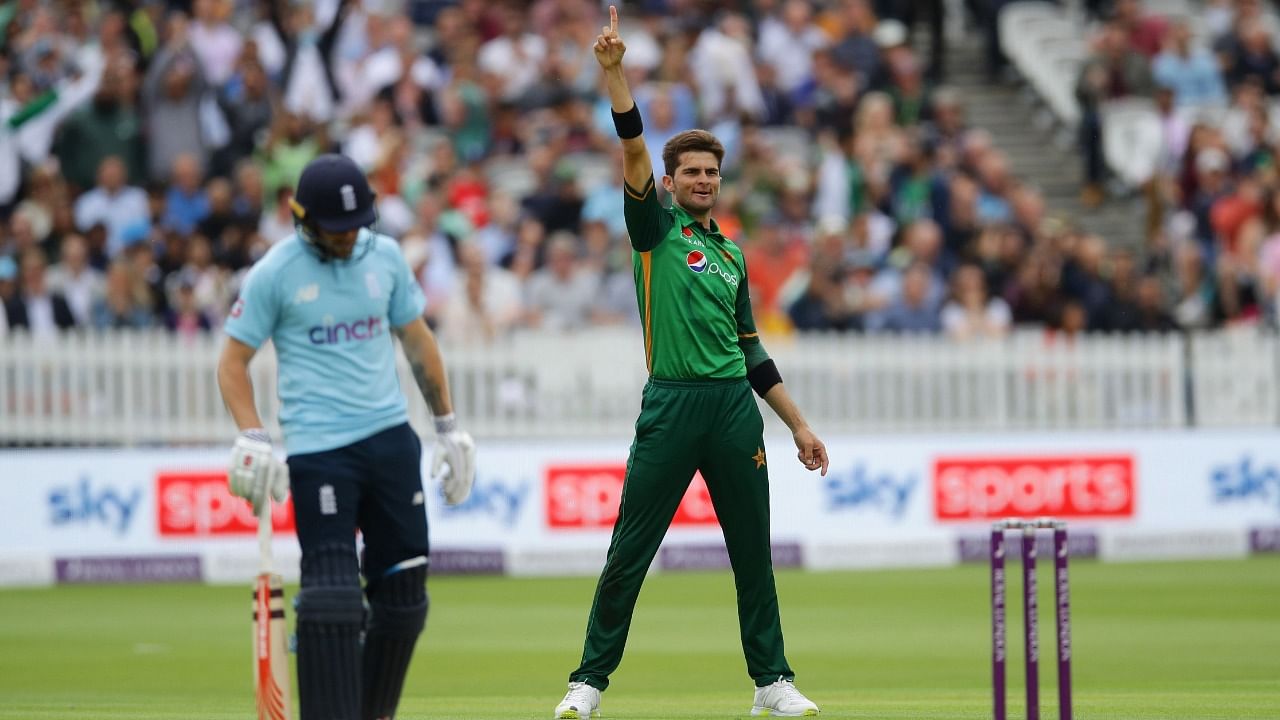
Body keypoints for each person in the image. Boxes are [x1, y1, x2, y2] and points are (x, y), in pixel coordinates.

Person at [553, 8, 829, 719]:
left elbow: (752, 351)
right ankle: (588, 682)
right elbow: (635, 154)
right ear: (671, 184)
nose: (703, 180)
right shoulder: (654, 233)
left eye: (711, 171)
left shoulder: (733, 255)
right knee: (629, 553)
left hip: (734, 411)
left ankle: (772, 682)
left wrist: (797, 425)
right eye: (691, 172)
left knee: (753, 554)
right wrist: (614, 74)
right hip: (672, 404)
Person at [216, 154, 477, 720]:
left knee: (405, 599)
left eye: (356, 225)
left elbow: (417, 341)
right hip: (320, 451)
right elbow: (233, 362)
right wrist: (254, 436)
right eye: (335, 229)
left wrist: (448, 426)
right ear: (304, 221)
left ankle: (372, 712)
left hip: (389, 441)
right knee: (331, 599)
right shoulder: (274, 273)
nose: (347, 237)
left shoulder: (383, 257)